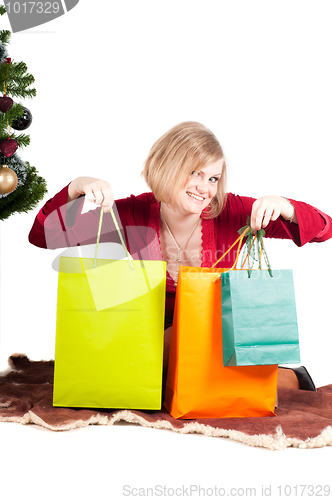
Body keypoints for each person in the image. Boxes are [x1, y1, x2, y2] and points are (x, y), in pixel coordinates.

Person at [29, 121, 332, 392]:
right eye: (195, 174)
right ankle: (271, 380)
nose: (205, 188)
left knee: (200, 323)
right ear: (167, 168)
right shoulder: (131, 212)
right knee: (128, 344)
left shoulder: (234, 211)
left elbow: (324, 229)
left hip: (213, 339)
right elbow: (44, 235)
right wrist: (75, 188)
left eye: (213, 178)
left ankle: (267, 379)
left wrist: (283, 205)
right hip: (150, 338)